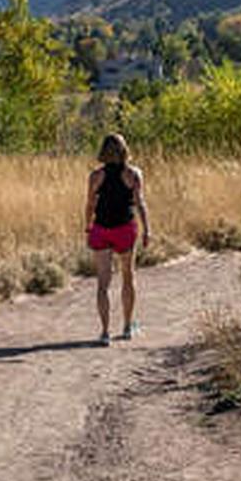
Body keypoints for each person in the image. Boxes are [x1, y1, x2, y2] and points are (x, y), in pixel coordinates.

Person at [84, 132, 150, 346]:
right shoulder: (134, 174)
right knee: (128, 276)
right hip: (124, 229)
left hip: (101, 228)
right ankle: (127, 326)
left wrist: (87, 225)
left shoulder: (95, 176)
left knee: (103, 282)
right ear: (124, 151)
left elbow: (90, 205)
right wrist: (147, 229)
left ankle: (104, 332)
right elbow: (140, 203)